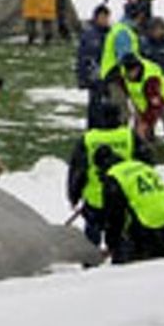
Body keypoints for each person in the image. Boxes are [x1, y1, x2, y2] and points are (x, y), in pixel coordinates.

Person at [67, 103, 153, 247]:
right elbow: (146, 165)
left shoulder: (88, 139)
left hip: (96, 199)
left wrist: (73, 195)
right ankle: (119, 260)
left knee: (92, 236)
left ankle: (90, 262)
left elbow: (77, 171)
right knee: (118, 234)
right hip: (121, 197)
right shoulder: (129, 136)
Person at [94, 146, 164, 264]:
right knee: (159, 265)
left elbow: (115, 215)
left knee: (135, 269)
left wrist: (112, 244)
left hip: (149, 222)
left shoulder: (114, 176)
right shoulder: (140, 165)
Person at [117, 53, 164, 141]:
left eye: (132, 72)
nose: (129, 75)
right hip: (141, 101)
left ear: (137, 68)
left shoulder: (151, 80)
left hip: (160, 101)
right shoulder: (124, 69)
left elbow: (154, 106)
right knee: (138, 130)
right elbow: (122, 85)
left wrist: (145, 123)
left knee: (148, 125)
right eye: (127, 71)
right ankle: (144, 139)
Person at [77, 5, 113, 127]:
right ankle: (92, 130)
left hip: (109, 76)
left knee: (109, 105)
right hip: (93, 77)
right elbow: (82, 58)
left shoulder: (112, 34)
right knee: (94, 105)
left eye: (106, 17)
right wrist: (82, 78)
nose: (105, 20)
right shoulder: (89, 35)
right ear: (96, 18)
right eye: (102, 17)